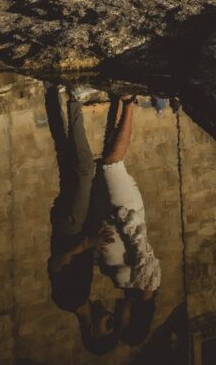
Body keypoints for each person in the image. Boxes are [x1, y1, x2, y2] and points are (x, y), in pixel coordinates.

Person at [45, 84, 118, 355]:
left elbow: (56, 262)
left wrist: (88, 242)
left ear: (93, 331)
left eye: (108, 324)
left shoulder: (69, 300)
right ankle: (52, 93)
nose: (109, 315)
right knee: (68, 165)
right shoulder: (82, 295)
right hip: (75, 226)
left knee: (85, 170)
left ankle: (74, 100)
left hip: (70, 228)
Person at [95, 96, 161, 346]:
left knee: (107, 157)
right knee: (112, 163)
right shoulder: (145, 288)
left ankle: (119, 101)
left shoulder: (129, 290)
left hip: (114, 214)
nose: (117, 318)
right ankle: (130, 102)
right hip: (125, 212)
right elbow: (140, 244)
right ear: (133, 319)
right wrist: (123, 215)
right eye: (121, 323)